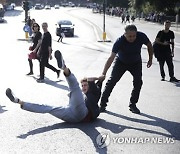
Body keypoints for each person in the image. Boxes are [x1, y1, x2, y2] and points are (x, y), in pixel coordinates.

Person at [6, 50, 103, 123]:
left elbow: (91, 81)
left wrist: (98, 77)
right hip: (70, 113)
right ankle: (18, 101)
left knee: (74, 87)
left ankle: (63, 67)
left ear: (90, 87)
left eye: (85, 85)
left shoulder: (93, 94)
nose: (84, 87)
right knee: (48, 108)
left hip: (83, 114)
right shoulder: (80, 94)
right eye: (83, 86)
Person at [99, 24, 153, 114]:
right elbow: (111, 58)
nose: (132, 38)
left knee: (138, 82)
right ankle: (102, 104)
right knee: (112, 81)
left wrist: (150, 59)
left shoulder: (141, 36)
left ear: (136, 34)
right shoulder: (119, 41)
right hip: (121, 62)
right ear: (125, 34)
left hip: (136, 63)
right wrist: (103, 73)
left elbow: (149, 45)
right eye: (129, 36)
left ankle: (133, 104)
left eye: (133, 36)